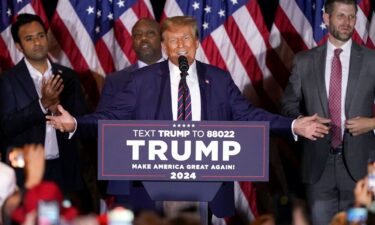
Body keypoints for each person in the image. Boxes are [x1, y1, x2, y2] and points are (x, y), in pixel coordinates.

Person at [48, 16, 329, 218]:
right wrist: (75, 123)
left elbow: (248, 115)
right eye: (173, 40)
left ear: (196, 42)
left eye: (186, 38)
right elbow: (110, 117)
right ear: (165, 45)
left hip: (205, 182)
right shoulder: (141, 81)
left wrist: (293, 124)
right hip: (154, 184)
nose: (180, 45)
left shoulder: (217, 79)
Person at [281, 0, 375, 224]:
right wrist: (303, 122)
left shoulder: (372, 60)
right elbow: (287, 105)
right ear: (326, 18)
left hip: (361, 166)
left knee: (358, 222)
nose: (347, 22)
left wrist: (371, 123)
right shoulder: (304, 61)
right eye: (341, 16)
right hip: (317, 165)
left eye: (351, 17)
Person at [0, 14, 89, 194]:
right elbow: (6, 126)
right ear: (19, 46)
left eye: (41, 35)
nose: (38, 42)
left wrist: (60, 112)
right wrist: (42, 104)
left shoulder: (68, 76)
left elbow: (83, 122)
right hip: (27, 171)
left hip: (64, 168)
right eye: (29, 39)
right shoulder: (8, 80)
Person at [97, 18, 164, 211]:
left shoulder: (183, 76)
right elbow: (102, 126)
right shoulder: (116, 81)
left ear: (161, 38)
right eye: (137, 35)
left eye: (150, 33)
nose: (143, 38)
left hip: (173, 178)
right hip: (129, 181)